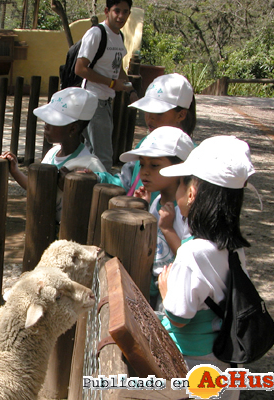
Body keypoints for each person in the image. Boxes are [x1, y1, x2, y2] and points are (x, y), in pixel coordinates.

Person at [158, 136, 254, 400]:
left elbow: (179, 315)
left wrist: (166, 292)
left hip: (192, 363)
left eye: (180, 183)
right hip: (224, 356)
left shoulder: (191, 251)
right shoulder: (233, 247)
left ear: (192, 193)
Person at [1, 87, 106, 223]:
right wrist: (15, 171)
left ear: (73, 129)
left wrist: (70, 189)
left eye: (53, 121)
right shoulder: (52, 153)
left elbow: (97, 207)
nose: (46, 125)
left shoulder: (89, 165)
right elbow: (38, 187)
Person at [91, 73, 196, 204]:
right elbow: (126, 182)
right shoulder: (144, 144)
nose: (150, 118)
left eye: (159, 113)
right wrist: (98, 178)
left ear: (181, 115)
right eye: (147, 110)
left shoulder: (195, 157)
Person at [119, 126, 194, 309]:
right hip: (151, 285)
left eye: (154, 165)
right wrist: (143, 210)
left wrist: (168, 229)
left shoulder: (187, 212)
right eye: (142, 164)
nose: (144, 172)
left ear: (179, 168)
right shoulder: (157, 201)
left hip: (173, 292)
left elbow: (191, 258)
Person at [74, 0, 137, 171]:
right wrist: (111, 83)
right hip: (93, 100)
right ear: (107, 11)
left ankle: (88, 193)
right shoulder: (97, 34)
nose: (121, 16)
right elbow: (80, 68)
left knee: (92, 154)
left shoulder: (119, 36)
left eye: (125, 12)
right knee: (104, 158)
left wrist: (130, 89)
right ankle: (103, 194)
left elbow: (117, 69)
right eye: (117, 11)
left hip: (105, 101)